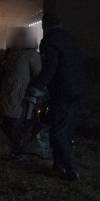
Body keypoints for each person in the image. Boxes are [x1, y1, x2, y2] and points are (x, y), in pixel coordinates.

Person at [26, 12, 87, 181]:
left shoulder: (49, 42)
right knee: (66, 127)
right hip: (78, 89)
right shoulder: (69, 38)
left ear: (45, 27)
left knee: (57, 131)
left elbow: (49, 69)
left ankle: (70, 169)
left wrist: (36, 89)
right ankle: (58, 165)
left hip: (63, 91)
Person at [0, 28, 41, 158]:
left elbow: (38, 74)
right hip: (8, 93)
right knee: (4, 122)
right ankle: (18, 148)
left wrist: (35, 93)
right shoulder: (12, 52)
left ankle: (18, 150)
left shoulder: (32, 54)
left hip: (21, 95)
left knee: (13, 123)